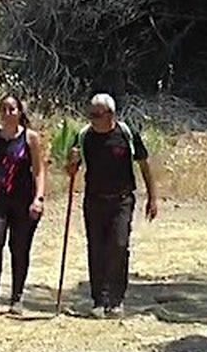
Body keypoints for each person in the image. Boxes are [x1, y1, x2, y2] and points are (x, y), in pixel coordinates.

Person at [65, 93, 159, 317]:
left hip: (122, 200)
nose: (93, 119)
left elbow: (145, 166)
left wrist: (152, 197)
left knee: (118, 245)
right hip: (94, 200)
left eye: (97, 115)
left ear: (110, 114)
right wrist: (72, 160)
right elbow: (70, 172)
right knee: (96, 249)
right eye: (91, 115)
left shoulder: (126, 134)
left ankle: (116, 299)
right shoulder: (83, 136)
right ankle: (99, 300)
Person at [0, 94, 47, 315]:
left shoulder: (30, 138)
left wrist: (39, 198)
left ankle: (17, 297)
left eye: (12, 109)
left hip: (22, 199)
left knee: (19, 247)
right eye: (4, 109)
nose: (7, 114)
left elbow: (38, 170)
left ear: (20, 112)